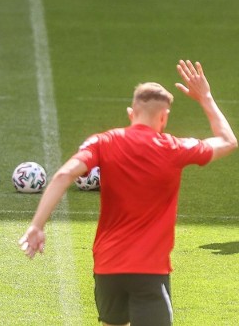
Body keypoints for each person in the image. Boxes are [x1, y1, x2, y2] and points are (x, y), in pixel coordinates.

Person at [19, 60, 237, 326]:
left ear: (131, 113)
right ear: (164, 117)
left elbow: (64, 175)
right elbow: (228, 141)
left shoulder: (103, 141)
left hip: (107, 267)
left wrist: (37, 226)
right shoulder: (174, 148)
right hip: (149, 270)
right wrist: (206, 97)